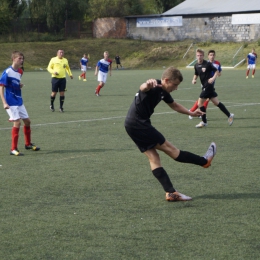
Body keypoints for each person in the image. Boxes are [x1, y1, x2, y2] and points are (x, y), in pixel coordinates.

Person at [124, 66, 217, 202]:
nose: (176, 88)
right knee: (172, 150)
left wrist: (191, 112)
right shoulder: (154, 86)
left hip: (132, 125)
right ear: (166, 80)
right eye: (175, 85)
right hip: (139, 124)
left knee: (154, 158)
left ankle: (170, 192)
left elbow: (174, 105)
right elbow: (143, 87)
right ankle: (204, 161)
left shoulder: (163, 90)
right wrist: (147, 84)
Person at [0, 51, 40, 156]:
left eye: (22, 59)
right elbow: (1, 87)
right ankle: (13, 149)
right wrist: (4, 103)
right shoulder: (7, 72)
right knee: (17, 123)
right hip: (10, 101)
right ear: (13, 59)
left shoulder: (20, 72)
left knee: (27, 121)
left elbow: (14, 83)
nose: (21, 60)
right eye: (19, 58)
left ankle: (28, 144)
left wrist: (19, 85)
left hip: (19, 100)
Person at [192, 49, 234, 128]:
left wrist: (213, 78)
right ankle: (229, 115)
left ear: (203, 56)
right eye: (198, 55)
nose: (199, 57)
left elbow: (216, 71)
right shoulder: (196, 65)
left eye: (201, 55)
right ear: (196, 56)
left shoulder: (207, 64)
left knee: (200, 103)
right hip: (205, 86)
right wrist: (194, 79)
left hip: (208, 86)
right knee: (216, 103)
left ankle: (204, 122)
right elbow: (196, 73)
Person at [188, 50, 222, 119]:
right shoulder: (206, 63)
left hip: (212, 84)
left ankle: (196, 112)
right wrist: (194, 79)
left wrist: (216, 75)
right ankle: (196, 113)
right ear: (208, 56)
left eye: (213, 55)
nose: (212, 56)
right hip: (206, 84)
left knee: (204, 99)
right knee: (205, 99)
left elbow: (219, 73)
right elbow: (197, 73)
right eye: (210, 55)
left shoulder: (217, 63)